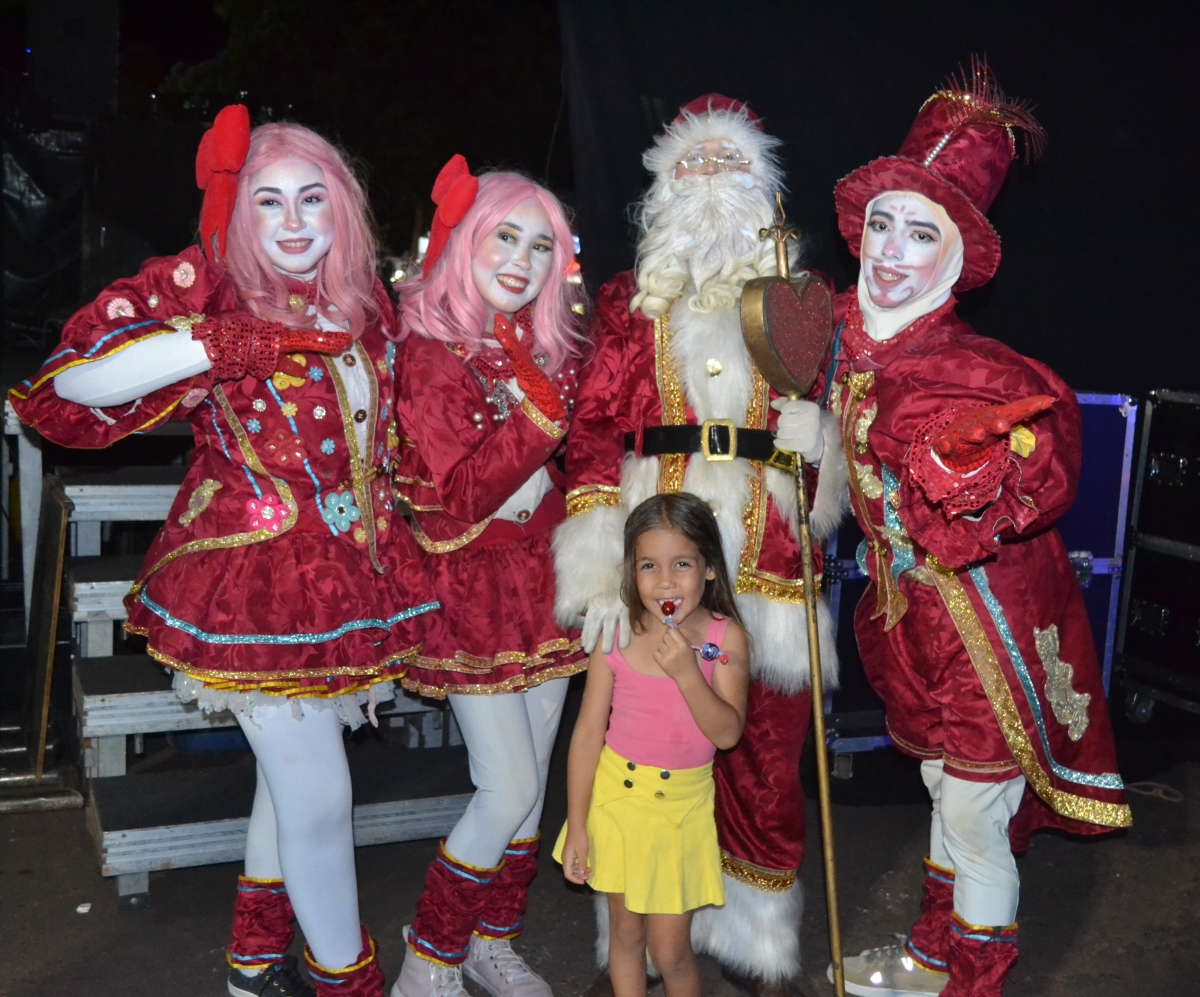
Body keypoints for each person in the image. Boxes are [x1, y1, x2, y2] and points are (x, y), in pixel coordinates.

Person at [8, 106, 439, 997]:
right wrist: (208, 343)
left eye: (311, 198)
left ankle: (250, 968)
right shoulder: (210, 285)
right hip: (251, 581)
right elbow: (69, 385)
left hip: (350, 578)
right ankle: (345, 982)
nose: (292, 221)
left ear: (341, 206)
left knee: (292, 789)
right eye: (268, 200)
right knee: (318, 796)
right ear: (239, 213)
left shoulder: (365, 303)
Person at [825, 59, 1131, 997]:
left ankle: (974, 981)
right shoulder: (845, 343)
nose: (890, 250)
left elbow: (1046, 456)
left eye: (921, 233)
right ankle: (931, 959)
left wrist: (965, 469)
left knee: (973, 814)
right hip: (912, 623)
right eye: (883, 223)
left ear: (953, 259)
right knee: (941, 792)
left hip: (987, 627)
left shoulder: (981, 370)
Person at [554, 95, 847, 995]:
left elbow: (847, 426)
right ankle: (644, 937)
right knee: (644, 745)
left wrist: (821, 444)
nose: (710, 180)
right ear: (662, 187)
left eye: (729, 163)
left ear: (763, 185)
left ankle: (755, 941)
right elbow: (594, 431)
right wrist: (599, 575)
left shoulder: (801, 299)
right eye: (692, 164)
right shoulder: (627, 303)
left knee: (764, 763)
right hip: (659, 564)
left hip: (769, 566)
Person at [389, 157, 587, 997]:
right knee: (506, 787)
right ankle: (428, 957)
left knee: (531, 789)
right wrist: (543, 423)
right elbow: (460, 493)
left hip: (545, 583)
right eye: (505, 237)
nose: (522, 260)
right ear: (466, 241)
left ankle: (491, 940)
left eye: (541, 246)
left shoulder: (537, 346)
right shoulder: (430, 353)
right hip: (469, 593)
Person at [556, 492, 750, 997]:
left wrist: (688, 672)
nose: (665, 581)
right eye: (649, 566)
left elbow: (727, 733)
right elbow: (587, 734)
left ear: (710, 568)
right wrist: (577, 825)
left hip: (681, 815)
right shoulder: (615, 635)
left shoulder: (725, 640)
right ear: (631, 570)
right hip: (618, 805)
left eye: (681, 564)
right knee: (624, 935)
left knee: (669, 951)